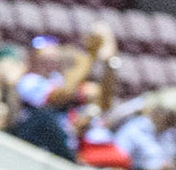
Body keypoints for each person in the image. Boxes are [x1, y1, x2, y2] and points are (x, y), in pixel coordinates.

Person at [9, 30, 109, 161]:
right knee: (46, 117)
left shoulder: (57, 79)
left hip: (66, 139)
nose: (49, 65)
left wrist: (108, 64)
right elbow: (59, 97)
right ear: (33, 59)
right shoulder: (28, 81)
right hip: (36, 139)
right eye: (44, 60)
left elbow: (98, 96)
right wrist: (89, 58)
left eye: (53, 60)